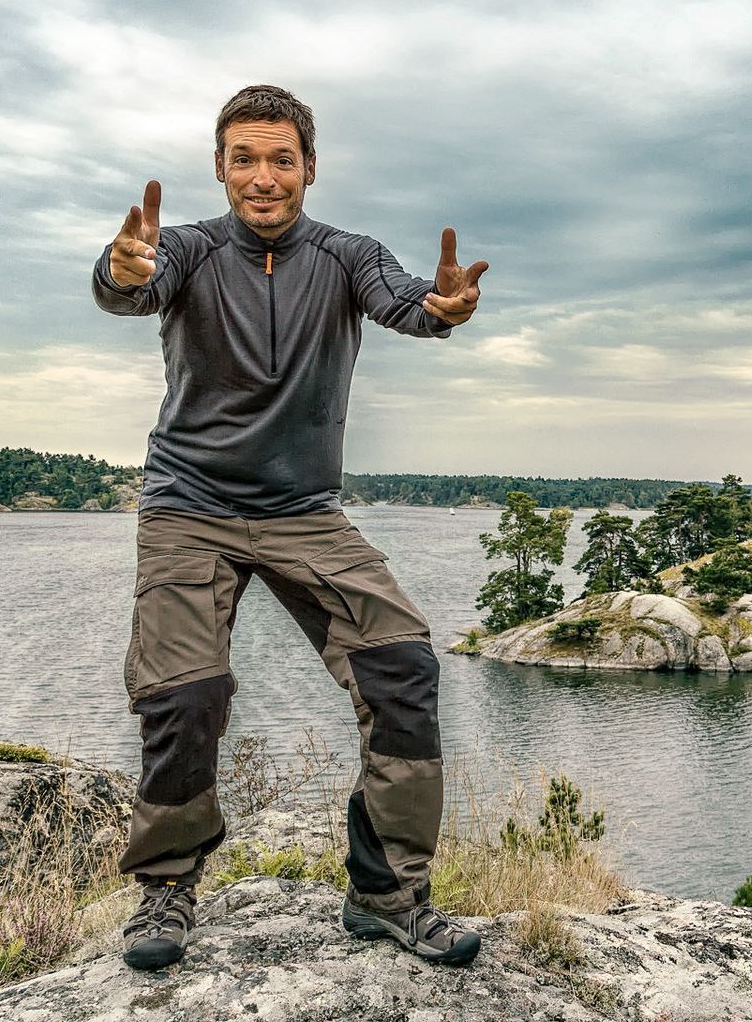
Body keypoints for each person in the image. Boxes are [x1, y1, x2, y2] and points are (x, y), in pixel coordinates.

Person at [92, 84, 488, 971]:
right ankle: (166, 887)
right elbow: (130, 284)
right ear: (220, 167)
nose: (263, 178)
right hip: (189, 507)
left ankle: (389, 895)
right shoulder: (184, 250)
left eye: (281, 160)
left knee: (403, 670)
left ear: (310, 167)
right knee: (184, 696)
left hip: (304, 512)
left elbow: (406, 301)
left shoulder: (348, 256)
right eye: (244, 159)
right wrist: (121, 273)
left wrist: (442, 308)